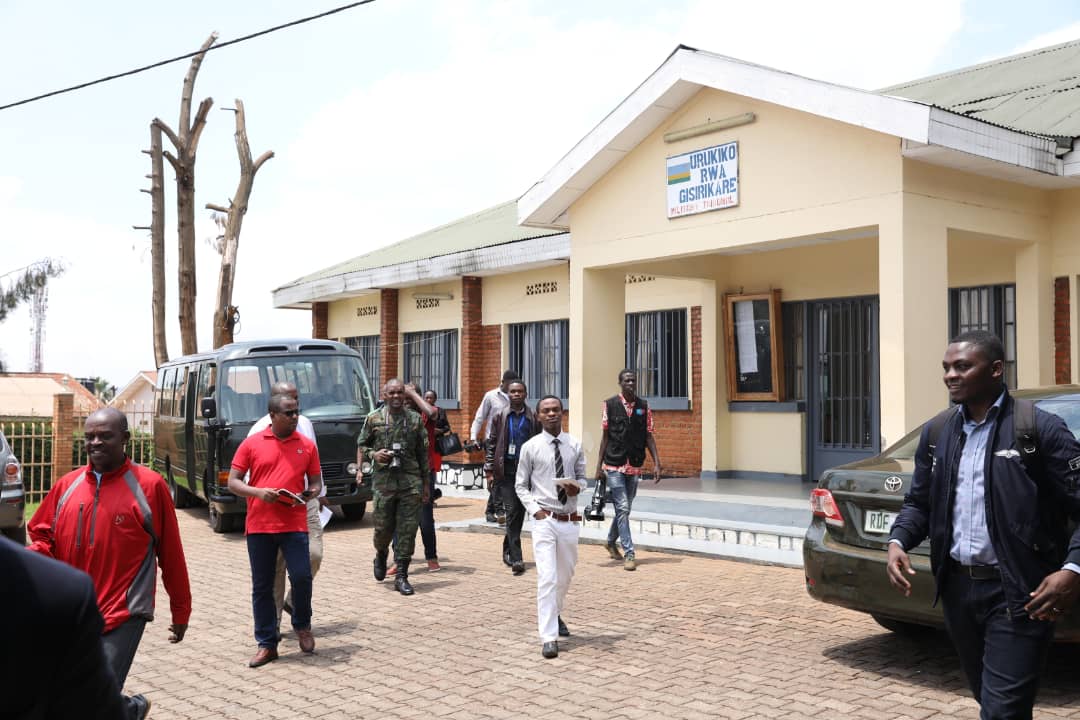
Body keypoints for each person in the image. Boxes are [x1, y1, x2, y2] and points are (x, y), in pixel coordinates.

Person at [887, 330, 1080, 719]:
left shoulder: (1039, 429)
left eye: (962, 366)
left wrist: (1072, 568)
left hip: (1020, 592)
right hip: (958, 591)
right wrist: (898, 540)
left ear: (995, 369)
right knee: (987, 697)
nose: (950, 375)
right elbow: (919, 503)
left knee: (1002, 712)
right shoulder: (938, 432)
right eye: (946, 368)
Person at [28, 407, 191, 718]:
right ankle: (129, 710)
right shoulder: (68, 485)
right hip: (73, 613)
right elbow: (42, 534)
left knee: (92, 698)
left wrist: (181, 608)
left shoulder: (149, 486)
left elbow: (171, 553)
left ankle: (126, 708)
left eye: (105, 436)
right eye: (89, 437)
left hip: (124, 612)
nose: (96, 443)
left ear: (125, 439)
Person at [228, 393, 323, 667]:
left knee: (303, 576)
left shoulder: (306, 445)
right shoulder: (252, 444)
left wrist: (310, 493)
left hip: (294, 523)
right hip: (260, 525)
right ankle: (267, 644)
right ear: (273, 415)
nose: (295, 417)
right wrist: (259, 492)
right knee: (262, 587)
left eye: (296, 412)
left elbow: (315, 480)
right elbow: (233, 482)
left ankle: (302, 624)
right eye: (289, 413)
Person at [1, 535, 127, 719]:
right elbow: (43, 533)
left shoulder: (62, 598)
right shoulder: (58, 594)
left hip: (118, 610)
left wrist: (180, 607)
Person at [246, 381, 326, 627]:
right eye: (289, 402)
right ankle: (275, 621)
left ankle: (293, 601)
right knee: (275, 569)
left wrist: (319, 492)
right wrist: (264, 494)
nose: (295, 409)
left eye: (297, 400)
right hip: (272, 508)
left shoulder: (305, 424)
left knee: (313, 555)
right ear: (274, 405)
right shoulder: (257, 431)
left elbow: (314, 464)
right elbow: (248, 478)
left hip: (305, 502)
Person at [515, 395, 586, 659]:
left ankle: (555, 613)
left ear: (563, 412)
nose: (552, 414)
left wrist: (576, 487)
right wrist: (536, 511)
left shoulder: (574, 444)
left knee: (564, 576)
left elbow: (583, 478)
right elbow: (521, 485)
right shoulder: (531, 447)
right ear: (539, 416)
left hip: (569, 520)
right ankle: (548, 637)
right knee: (547, 577)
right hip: (544, 520)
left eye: (556, 409)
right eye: (547, 410)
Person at [356, 378, 430, 596]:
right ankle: (380, 554)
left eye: (400, 393)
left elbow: (423, 454)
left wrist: (426, 483)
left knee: (408, 530)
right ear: (385, 395)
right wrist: (374, 455)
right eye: (392, 393)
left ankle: (402, 576)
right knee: (382, 529)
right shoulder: (374, 418)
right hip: (384, 483)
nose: (397, 397)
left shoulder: (415, 420)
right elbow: (362, 444)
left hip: (411, 482)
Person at [595, 369, 662, 571]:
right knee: (622, 508)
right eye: (627, 380)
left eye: (633, 380)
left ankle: (610, 540)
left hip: (634, 464)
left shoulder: (644, 406)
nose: (631, 383)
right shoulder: (609, 404)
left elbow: (649, 436)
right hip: (614, 464)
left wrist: (657, 463)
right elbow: (605, 437)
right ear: (620, 383)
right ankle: (629, 553)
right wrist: (598, 466)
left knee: (626, 508)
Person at [387, 384, 447, 574]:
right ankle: (399, 559)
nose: (405, 401)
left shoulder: (424, 416)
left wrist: (413, 393)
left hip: (423, 473)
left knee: (425, 518)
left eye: (409, 398)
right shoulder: (396, 416)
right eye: (404, 398)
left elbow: (432, 413)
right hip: (398, 473)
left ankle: (431, 557)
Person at [486, 379, 541, 575]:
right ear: (507, 394)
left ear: (525, 394)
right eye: (513, 392)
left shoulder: (534, 417)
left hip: (527, 472)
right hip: (507, 471)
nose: (516, 394)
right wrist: (489, 470)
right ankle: (517, 558)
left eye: (520, 391)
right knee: (512, 512)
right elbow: (492, 443)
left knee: (518, 514)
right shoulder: (500, 415)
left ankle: (508, 548)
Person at [470, 369, 520, 524]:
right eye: (510, 385)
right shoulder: (491, 396)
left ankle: (492, 509)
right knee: (496, 476)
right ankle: (498, 510)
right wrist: (473, 437)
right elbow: (479, 417)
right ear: (503, 382)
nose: (513, 389)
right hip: (493, 442)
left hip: (511, 443)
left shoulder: (517, 396)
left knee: (503, 477)